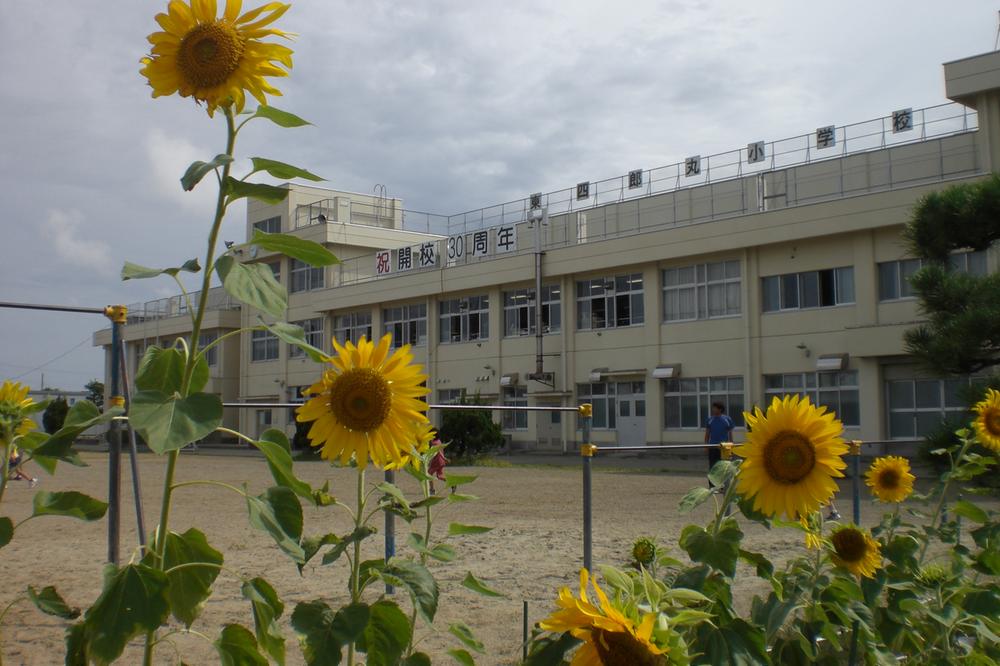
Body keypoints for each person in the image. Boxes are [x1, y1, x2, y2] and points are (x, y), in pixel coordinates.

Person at [704, 402, 735, 481]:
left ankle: (723, 484)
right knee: (713, 467)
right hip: (713, 447)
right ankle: (712, 484)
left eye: (715, 408)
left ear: (720, 409)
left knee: (724, 467)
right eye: (713, 408)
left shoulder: (727, 419)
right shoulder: (710, 420)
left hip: (724, 448)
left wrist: (732, 446)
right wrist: (706, 446)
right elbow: (707, 434)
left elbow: (730, 434)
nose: (713, 409)